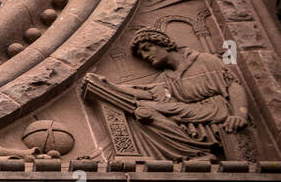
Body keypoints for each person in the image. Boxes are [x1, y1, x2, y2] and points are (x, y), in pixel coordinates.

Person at [81, 27, 250, 161]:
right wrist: (109, 86)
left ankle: (194, 153)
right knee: (142, 108)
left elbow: (233, 85)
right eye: (141, 54)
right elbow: (146, 94)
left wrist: (239, 114)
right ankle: (192, 152)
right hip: (189, 111)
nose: (145, 56)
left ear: (165, 44)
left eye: (147, 49)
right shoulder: (166, 77)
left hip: (216, 110)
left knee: (146, 108)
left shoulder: (204, 60)